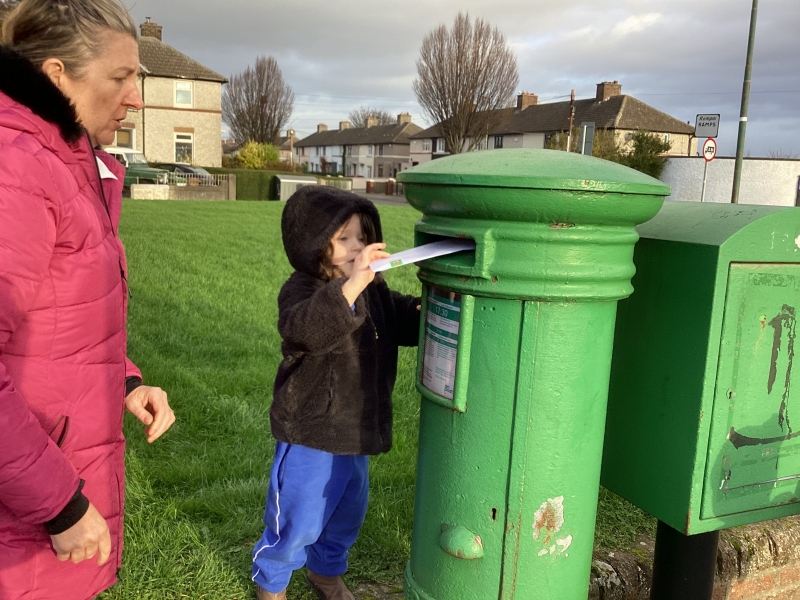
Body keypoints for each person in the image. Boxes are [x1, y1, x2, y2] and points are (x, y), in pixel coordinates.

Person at [0, 1, 176, 598]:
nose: (136, 98)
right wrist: (59, 504)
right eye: (120, 77)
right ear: (56, 77)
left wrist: (124, 380)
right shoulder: (18, 167)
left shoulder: (69, 160)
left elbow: (64, 316)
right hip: (26, 513)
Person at [251, 187, 421, 600]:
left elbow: (401, 320)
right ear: (314, 242)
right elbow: (304, 330)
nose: (357, 247)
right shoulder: (303, 290)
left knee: (348, 511)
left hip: (354, 429)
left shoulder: (373, 291)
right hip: (310, 430)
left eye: (362, 237)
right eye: (344, 238)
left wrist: (429, 306)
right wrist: (354, 284)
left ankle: (325, 572)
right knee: (299, 516)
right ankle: (271, 582)